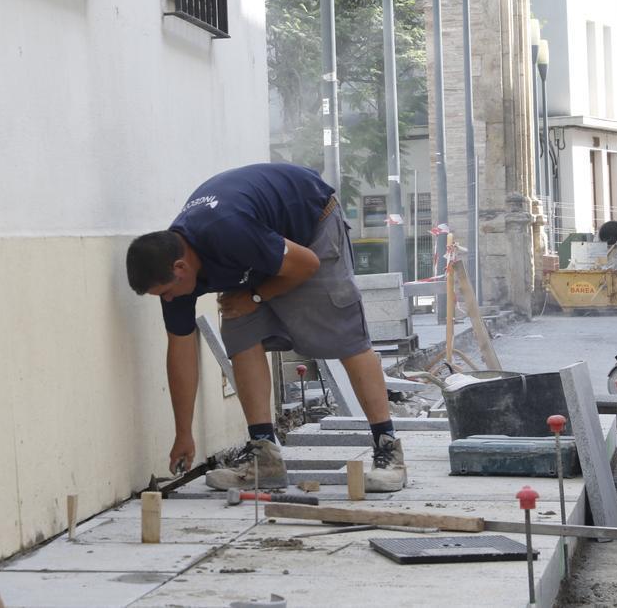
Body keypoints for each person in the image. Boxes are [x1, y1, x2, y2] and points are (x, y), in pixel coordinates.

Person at [125, 162, 407, 493]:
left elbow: (306, 264)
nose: (168, 299)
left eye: (166, 292)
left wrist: (256, 295)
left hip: (311, 228)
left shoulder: (228, 232)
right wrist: (184, 433)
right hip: (260, 239)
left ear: (180, 267)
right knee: (239, 328)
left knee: (345, 335)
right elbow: (181, 352)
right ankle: (265, 458)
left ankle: (389, 450)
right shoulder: (173, 269)